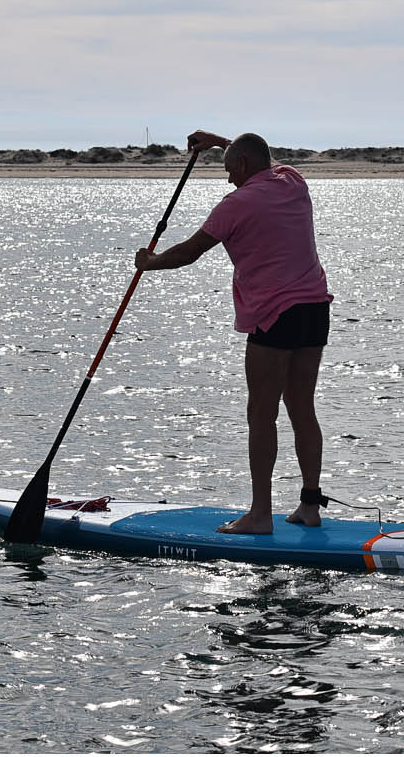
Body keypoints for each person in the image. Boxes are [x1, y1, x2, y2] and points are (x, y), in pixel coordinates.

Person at [134, 130, 333, 533]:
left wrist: (148, 263)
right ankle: (309, 507)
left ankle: (260, 516)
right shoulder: (293, 180)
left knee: (261, 413)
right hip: (315, 308)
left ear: (240, 165)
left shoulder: (236, 204)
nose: (227, 179)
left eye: (228, 170)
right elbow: (258, 155)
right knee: (301, 407)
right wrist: (218, 141)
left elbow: (188, 253)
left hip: (275, 315)